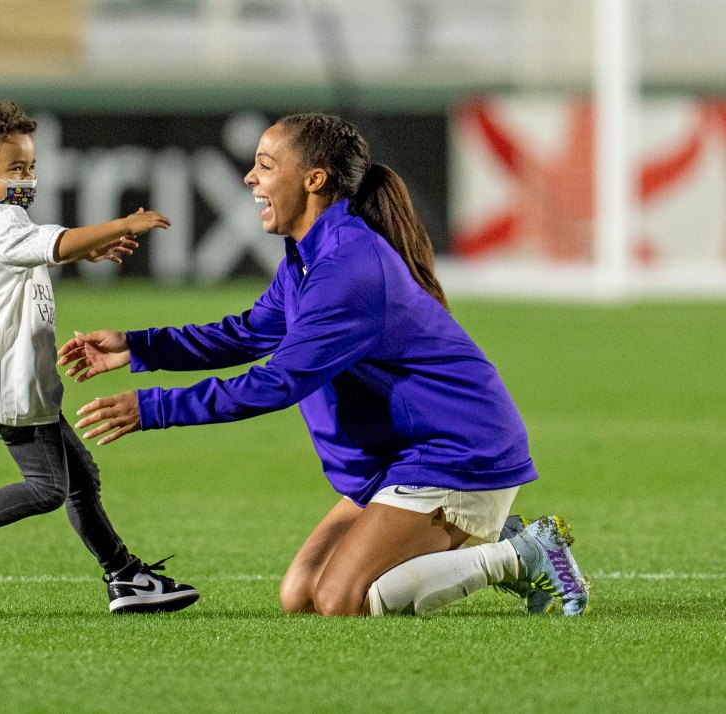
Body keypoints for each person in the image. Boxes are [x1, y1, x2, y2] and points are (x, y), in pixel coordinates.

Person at [58, 113, 589, 617]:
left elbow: (278, 381)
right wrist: (138, 347)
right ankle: (489, 541)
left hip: (458, 452)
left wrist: (153, 408)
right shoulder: (310, 255)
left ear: (314, 179)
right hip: (399, 456)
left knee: (343, 600)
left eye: (265, 165)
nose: (249, 177)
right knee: (301, 593)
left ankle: (523, 553)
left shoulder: (348, 268)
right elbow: (247, 333)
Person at [0, 100, 199, 615]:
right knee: (48, 488)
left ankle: (124, 576)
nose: (28, 178)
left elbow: (46, 250)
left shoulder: (3, 220)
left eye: (32, 166)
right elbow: (56, 244)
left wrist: (82, 250)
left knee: (80, 480)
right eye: (15, 168)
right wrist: (119, 225)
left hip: (29, 383)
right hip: (11, 387)